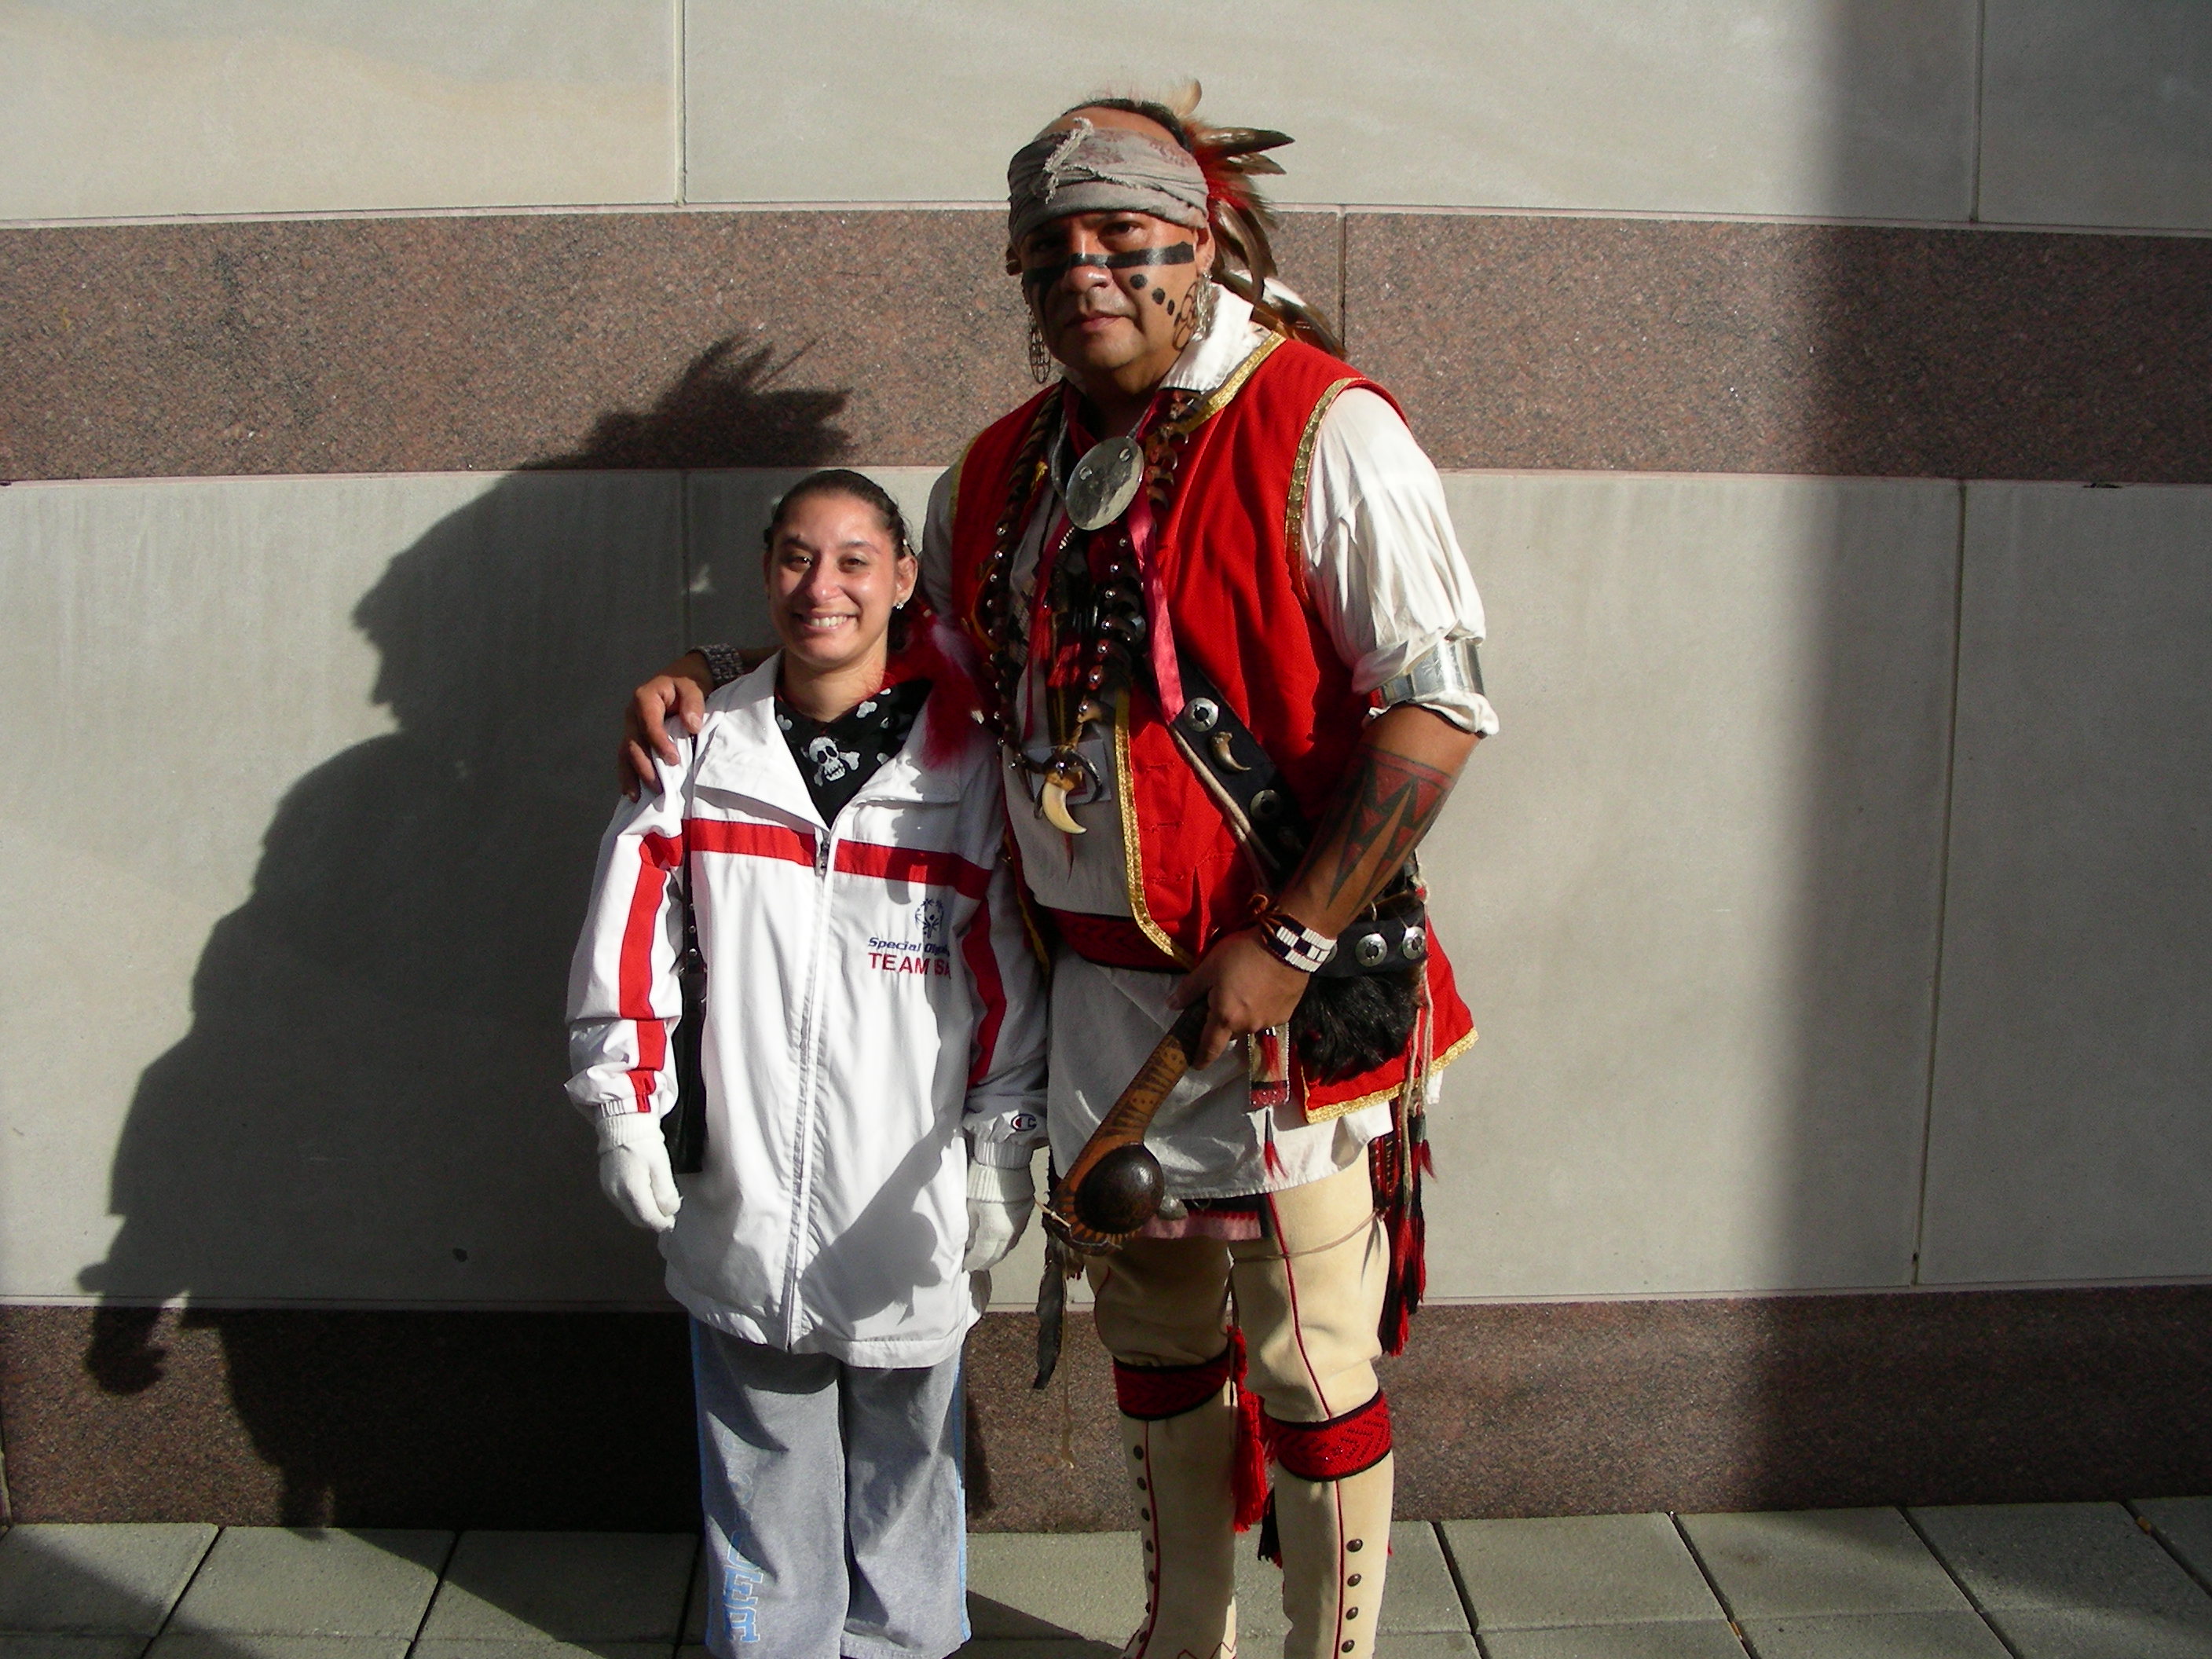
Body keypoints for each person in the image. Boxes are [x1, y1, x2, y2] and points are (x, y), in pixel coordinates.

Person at [623, 96, 1497, 1659]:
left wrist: (1291, 937)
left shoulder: (1322, 428)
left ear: (1205, 237)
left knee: (1307, 1361)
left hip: (1284, 1006)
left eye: (1120, 237)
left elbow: (1435, 706)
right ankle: (1183, 1640)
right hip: (1094, 998)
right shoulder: (998, 474)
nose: (1083, 271)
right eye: (1049, 250)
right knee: (1154, 1351)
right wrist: (724, 673)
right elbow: (925, 669)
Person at [570, 470, 1047, 1659]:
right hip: (742, 1193)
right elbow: (629, 942)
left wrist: (1001, 1145)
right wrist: (624, 1110)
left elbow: (1006, 977)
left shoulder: (963, 763)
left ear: (899, 578)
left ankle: (907, 1645)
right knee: (763, 1460)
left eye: (849, 560)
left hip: (909, 1194)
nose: (819, 586)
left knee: (907, 1460)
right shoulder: (699, 748)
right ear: (764, 571)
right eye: (794, 557)